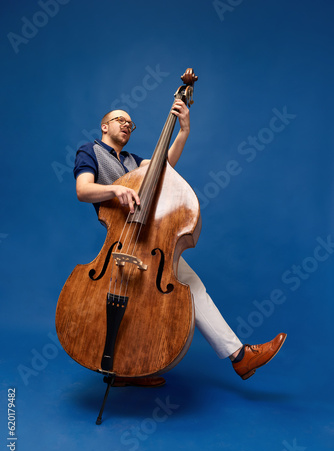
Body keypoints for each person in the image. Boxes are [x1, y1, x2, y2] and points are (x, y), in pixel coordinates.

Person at [74, 99, 287, 387]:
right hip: (121, 241)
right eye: (119, 120)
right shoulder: (90, 151)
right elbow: (83, 190)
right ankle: (239, 357)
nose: (126, 125)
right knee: (161, 293)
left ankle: (131, 369)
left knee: (178, 291)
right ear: (104, 126)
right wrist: (114, 189)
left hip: (149, 241)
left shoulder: (135, 162)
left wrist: (183, 130)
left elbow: (164, 167)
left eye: (130, 123)